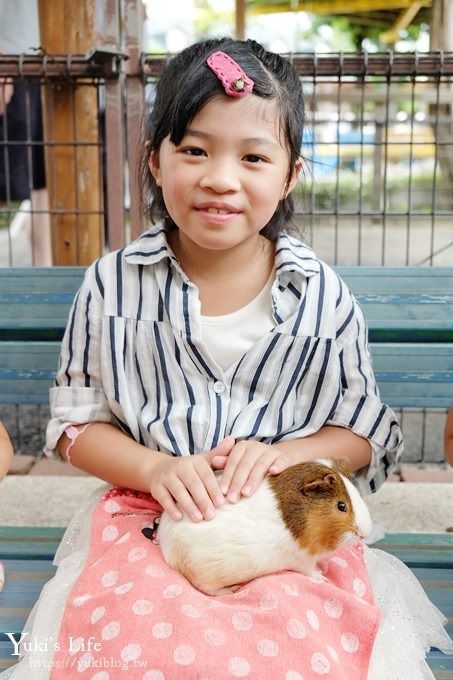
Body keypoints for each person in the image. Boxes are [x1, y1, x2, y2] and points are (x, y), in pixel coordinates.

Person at [2, 38, 452, 680]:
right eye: (194, 149)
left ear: (290, 173)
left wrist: (290, 457)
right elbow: (73, 427)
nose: (220, 177)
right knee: (135, 641)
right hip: (151, 520)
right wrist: (155, 468)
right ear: (155, 161)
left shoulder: (321, 297)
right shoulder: (112, 286)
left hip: (289, 526)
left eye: (253, 156)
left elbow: (362, 433)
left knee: (302, 637)